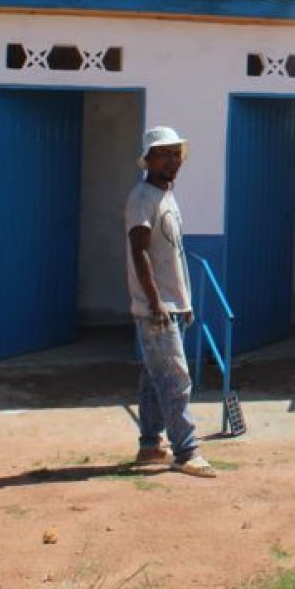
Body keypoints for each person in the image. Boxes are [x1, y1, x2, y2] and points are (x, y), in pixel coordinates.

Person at [127, 125, 216, 478]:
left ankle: (151, 446)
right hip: (156, 307)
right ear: (147, 160)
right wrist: (156, 301)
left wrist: (185, 302)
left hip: (172, 304)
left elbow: (174, 255)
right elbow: (140, 252)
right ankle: (187, 450)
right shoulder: (141, 198)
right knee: (176, 377)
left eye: (176, 153)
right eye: (164, 154)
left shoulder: (167, 196)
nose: (172, 160)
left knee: (153, 377)